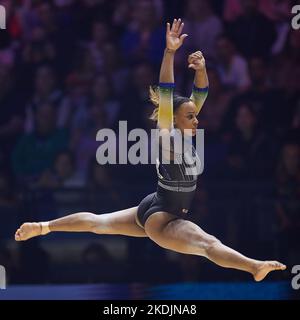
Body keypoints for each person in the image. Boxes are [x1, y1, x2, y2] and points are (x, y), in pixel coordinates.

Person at [15, 19, 286, 282]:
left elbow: (200, 93)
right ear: (174, 118)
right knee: (207, 243)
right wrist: (169, 53)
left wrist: (201, 69)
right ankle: (254, 267)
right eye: (190, 117)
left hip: (155, 204)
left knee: (98, 223)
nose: (197, 120)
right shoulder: (167, 134)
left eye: (195, 115)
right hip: (164, 219)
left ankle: (42, 227)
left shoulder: (183, 129)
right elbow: (166, 90)